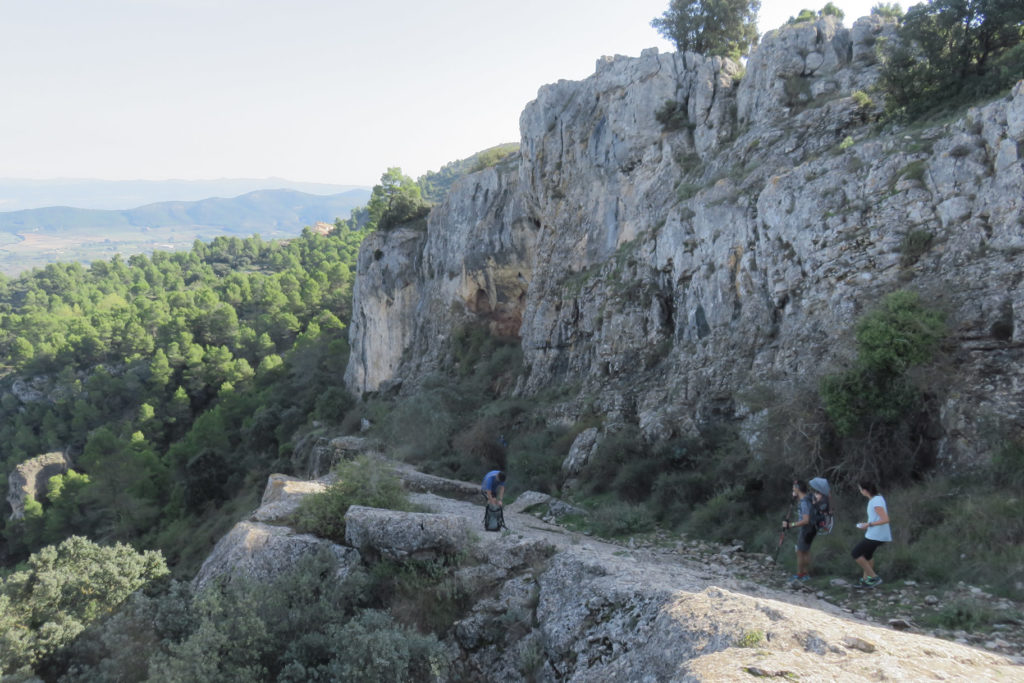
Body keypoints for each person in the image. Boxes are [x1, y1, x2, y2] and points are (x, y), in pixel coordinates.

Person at [852, 480, 891, 587]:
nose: (860, 491)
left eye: (860, 489)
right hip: (875, 534)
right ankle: (866, 580)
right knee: (867, 555)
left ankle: (874, 578)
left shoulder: (875, 501)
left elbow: (885, 519)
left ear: (865, 490)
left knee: (856, 553)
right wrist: (867, 524)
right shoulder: (877, 499)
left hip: (877, 535)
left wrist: (868, 525)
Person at [782, 480, 816, 581]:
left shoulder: (804, 502)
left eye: (794, 488)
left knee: (800, 552)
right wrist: (794, 497)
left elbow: (805, 520)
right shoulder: (807, 499)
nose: (792, 489)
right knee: (805, 551)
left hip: (806, 529)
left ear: (798, 489)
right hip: (811, 528)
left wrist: (790, 525)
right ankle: (805, 574)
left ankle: (801, 574)